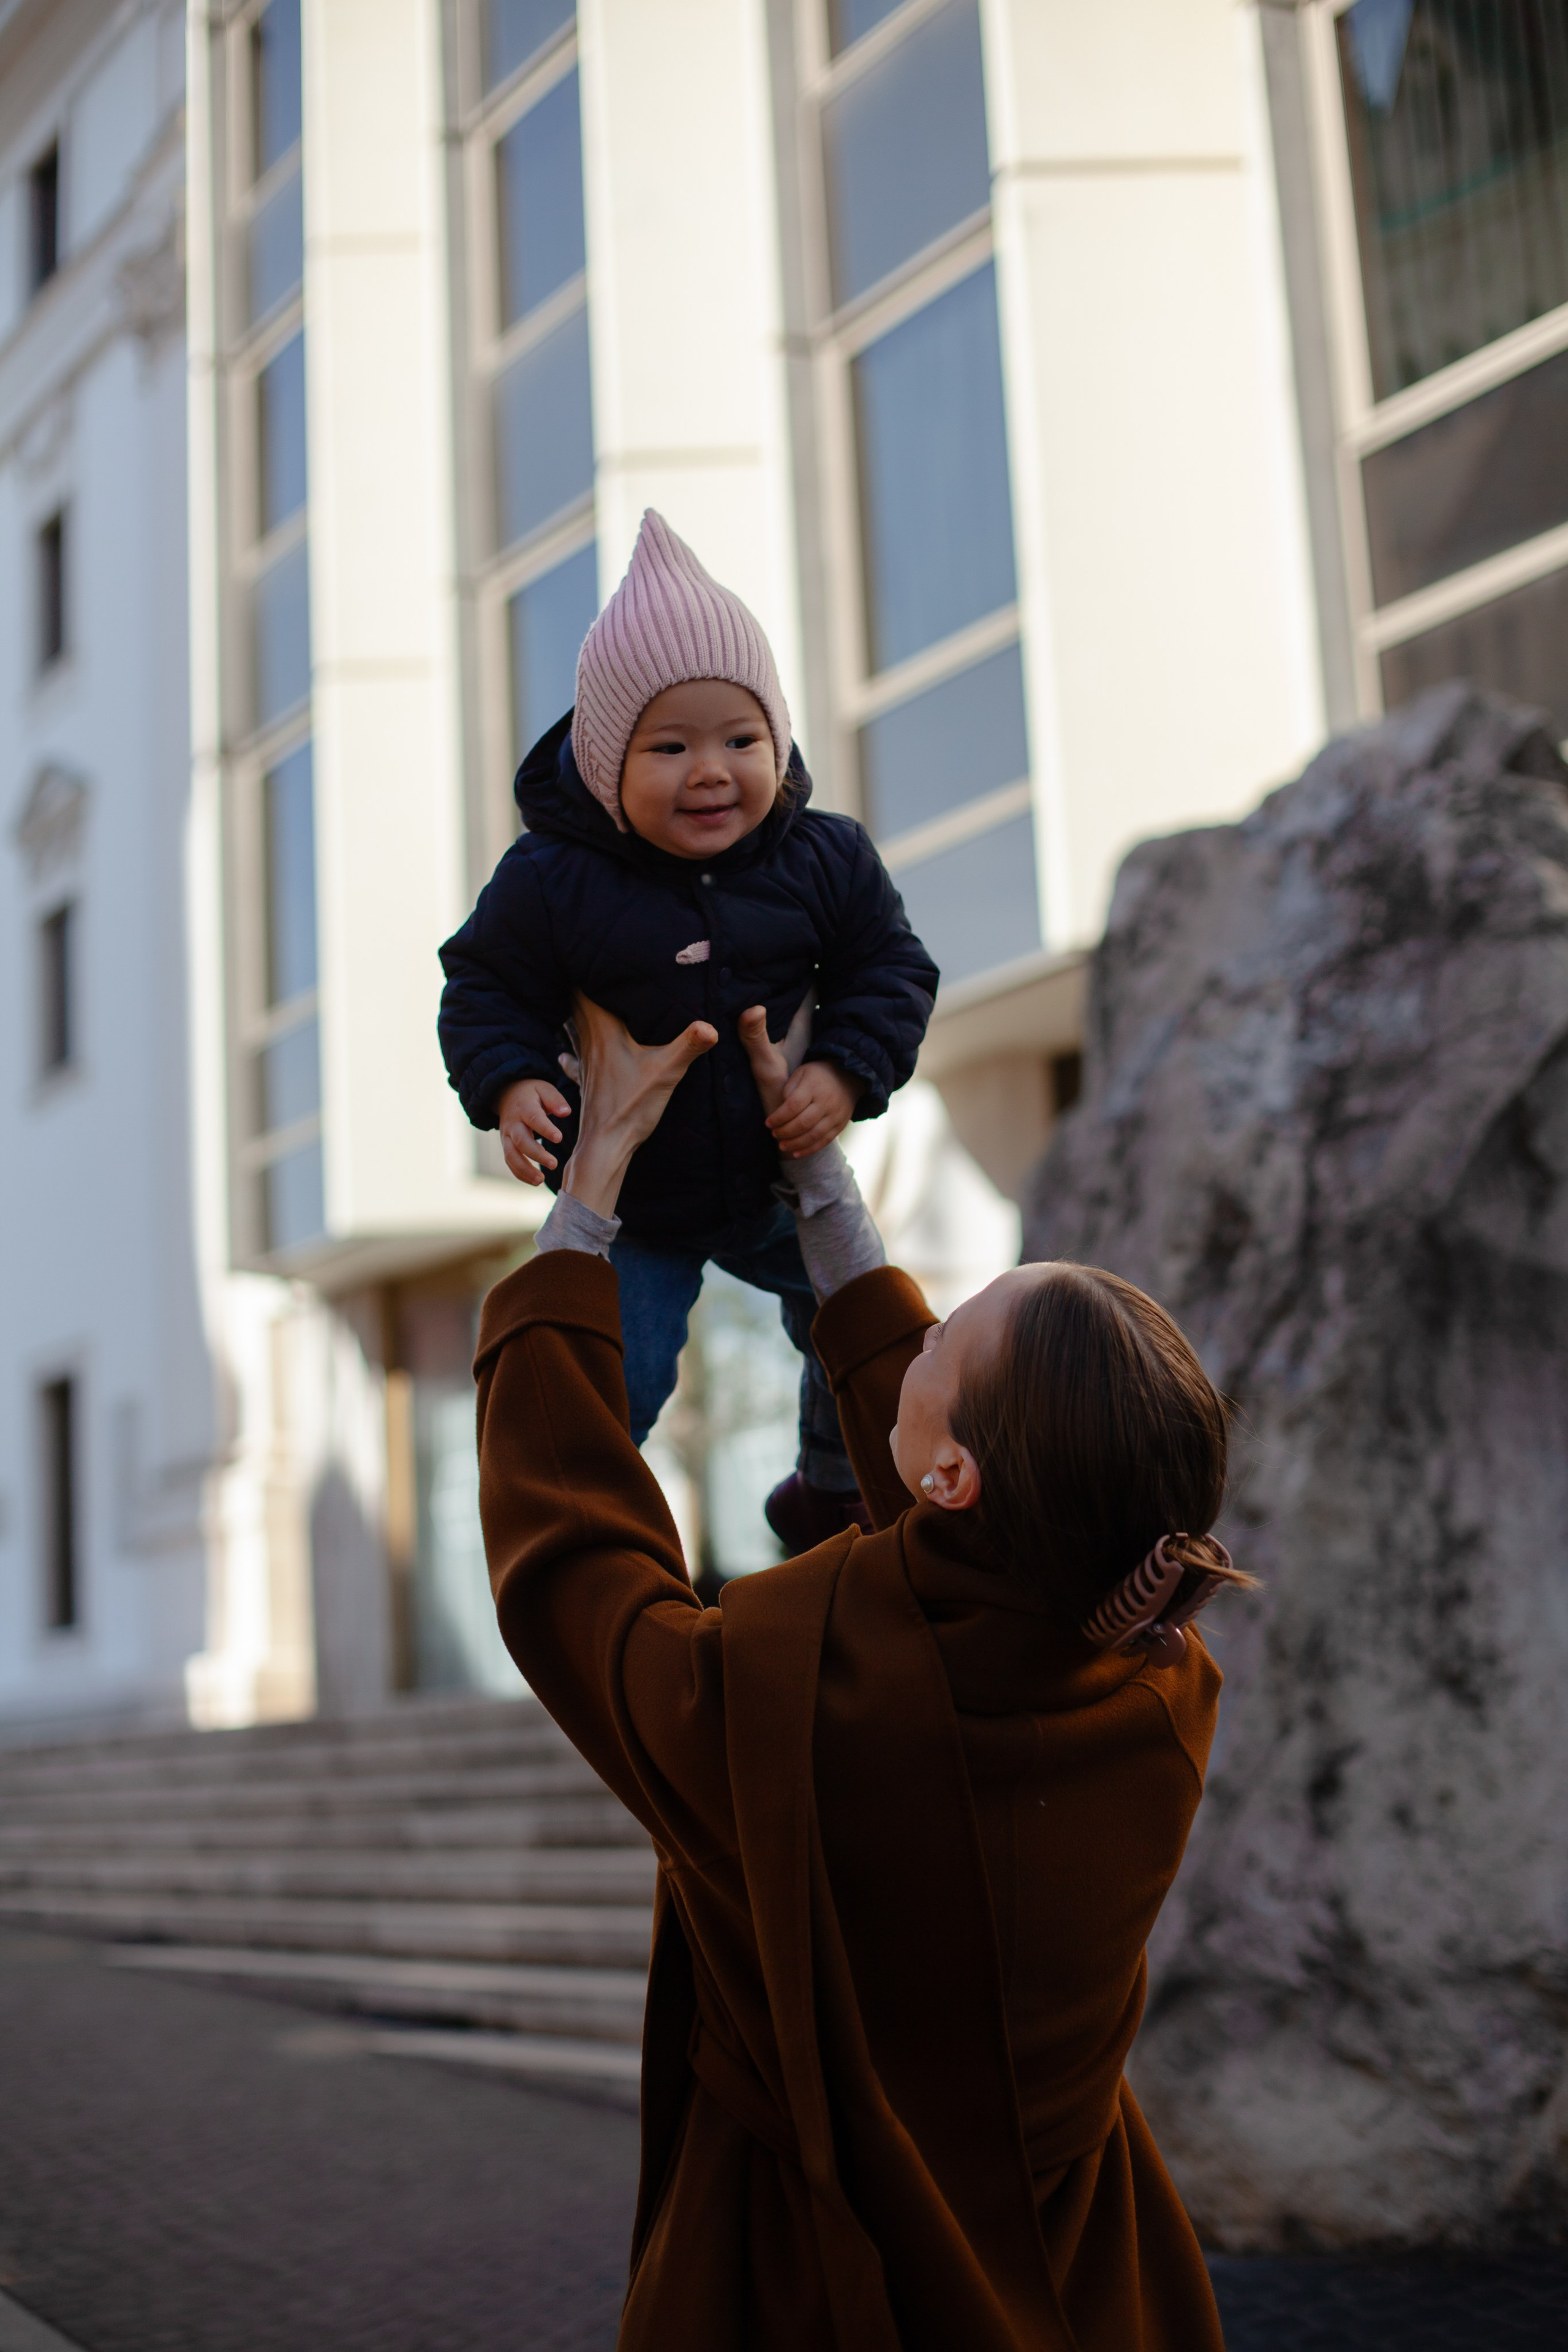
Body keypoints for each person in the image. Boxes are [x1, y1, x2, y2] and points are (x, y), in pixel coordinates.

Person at [472, 992, 1251, 2351]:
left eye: (947, 1338)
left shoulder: (770, 1712)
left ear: (949, 1475)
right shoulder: (1155, 1677)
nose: (921, 1333)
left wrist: (588, 1193)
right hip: (1078, 2283)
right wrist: (818, 1185)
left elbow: (575, 1573)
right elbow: (965, 1559)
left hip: (804, 2278)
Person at [439, 510, 938, 1551]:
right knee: (619, 1362)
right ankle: (596, 1537)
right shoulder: (555, 879)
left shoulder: (822, 859)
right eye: (669, 747)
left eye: (742, 740)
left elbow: (891, 968)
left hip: (771, 1181)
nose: (712, 771)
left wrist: (845, 1075)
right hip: (640, 1209)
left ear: (780, 739)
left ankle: (835, 1486)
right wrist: (511, 1083)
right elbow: (483, 982)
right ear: (605, 759)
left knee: (861, 1321)